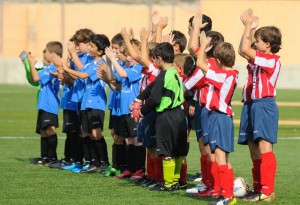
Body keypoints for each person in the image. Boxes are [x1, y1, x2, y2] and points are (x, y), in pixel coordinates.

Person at [239, 9, 282, 202]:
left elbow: (246, 50)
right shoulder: (259, 58)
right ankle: (258, 188)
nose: (256, 43)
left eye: (259, 40)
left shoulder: (271, 60)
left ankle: (268, 190)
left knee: (265, 147)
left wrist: (248, 26)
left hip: (264, 105)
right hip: (251, 105)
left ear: (269, 44)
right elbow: (242, 50)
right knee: (252, 146)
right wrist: (248, 31)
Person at [132, 42, 187, 191]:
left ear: (159, 58)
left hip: (167, 115)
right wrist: (138, 98)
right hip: (179, 114)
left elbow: (155, 99)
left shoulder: (163, 75)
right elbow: (151, 87)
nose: (154, 62)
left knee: (166, 150)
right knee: (177, 150)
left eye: (155, 58)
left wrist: (142, 111)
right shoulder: (173, 72)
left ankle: (168, 183)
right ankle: (175, 181)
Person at [197, 31, 238, 205]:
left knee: (220, 157)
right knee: (224, 158)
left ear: (219, 61)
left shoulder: (223, 75)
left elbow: (200, 62)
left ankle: (227, 195)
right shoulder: (231, 74)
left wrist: (204, 46)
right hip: (223, 118)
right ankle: (225, 193)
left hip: (219, 118)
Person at [62, 34, 111, 173]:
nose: (89, 47)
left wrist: (66, 68)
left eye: (92, 46)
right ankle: (92, 163)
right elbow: (80, 74)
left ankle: (104, 162)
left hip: (96, 103)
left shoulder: (100, 63)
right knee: (85, 133)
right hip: (85, 102)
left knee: (96, 133)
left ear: (100, 51)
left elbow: (83, 75)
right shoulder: (89, 61)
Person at [105, 29, 144, 179]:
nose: (128, 58)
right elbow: (111, 77)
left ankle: (139, 169)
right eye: (126, 55)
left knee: (136, 140)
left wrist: (113, 60)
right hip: (122, 109)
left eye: (130, 55)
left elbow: (121, 75)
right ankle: (130, 168)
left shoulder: (138, 68)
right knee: (128, 140)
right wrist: (109, 61)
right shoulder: (127, 67)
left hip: (133, 110)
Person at [27, 41, 62, 165]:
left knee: (50, 130)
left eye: (45, 51)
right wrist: (30, 65)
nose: (44, 54)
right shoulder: (47, 68)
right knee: (43, 130)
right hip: (43, 104)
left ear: (52, 54)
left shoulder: (52, 69)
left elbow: (35, 78)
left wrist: (31, 64)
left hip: (50, 104)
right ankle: (45, 157)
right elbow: (34, 79)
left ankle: (53, 157)